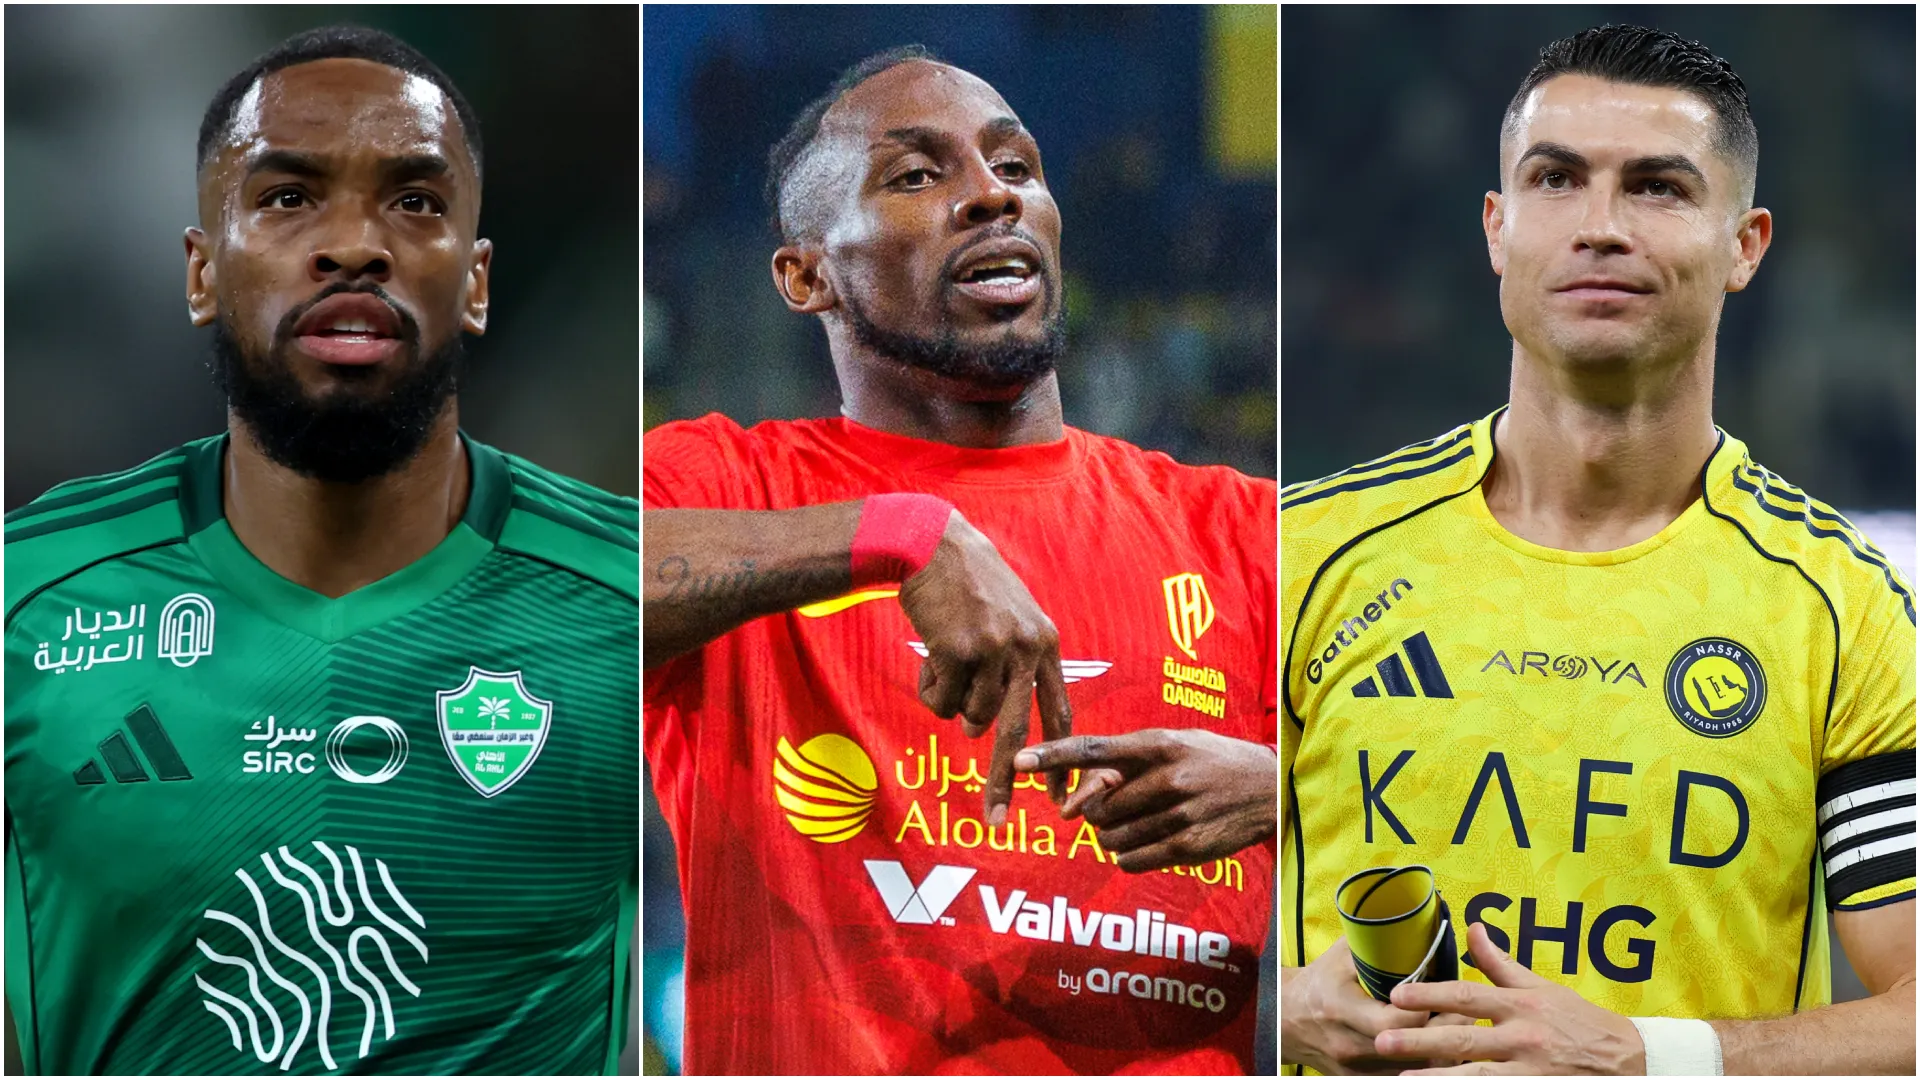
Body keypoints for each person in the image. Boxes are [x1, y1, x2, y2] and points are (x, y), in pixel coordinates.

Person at [1280, 24, 1914, 1076]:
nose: (1601, 227)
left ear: (1745, 246)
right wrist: (1282, 1013)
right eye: (1557, 180)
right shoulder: (1307, 555)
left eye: (1658, 188)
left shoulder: (1842, 610)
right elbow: (1133, 927)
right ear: (1497, 228)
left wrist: (1649, 1055)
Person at [3, 26, 637, 1075]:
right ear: (202, 274)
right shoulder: (28, 598)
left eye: (415, 201)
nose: (353, 245)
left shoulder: (623, 599)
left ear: (477, 283)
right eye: (289, 197)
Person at [643, 46, 1277, 1074]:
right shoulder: (728, 485)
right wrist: (899, 534)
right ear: (807, 274)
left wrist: (1286, 793)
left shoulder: (1245, 534)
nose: (993, 195)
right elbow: (544, 596)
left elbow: (1468, 800)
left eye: (1016, 165)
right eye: (916, 174)